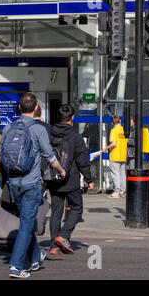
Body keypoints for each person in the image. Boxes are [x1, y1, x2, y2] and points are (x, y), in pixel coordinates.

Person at [0, 92, 66, 279]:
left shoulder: (8, 128)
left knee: (26, 222)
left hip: (14, 184)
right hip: (31, 183)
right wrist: (61, 171)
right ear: (36, 108)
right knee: (26, 226)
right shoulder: (38, 130)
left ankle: (36, 257)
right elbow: (50, 156)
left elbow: (1, 157)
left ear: (20, 108)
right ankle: (16, 266)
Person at [47, 104, 94, 255]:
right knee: (77, 208)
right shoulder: (76, 137)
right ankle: (64, 235)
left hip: (53, 178)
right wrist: (89, 179)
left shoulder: (50, 135)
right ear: (72, 118)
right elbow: (82, 160)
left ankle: (54, 245)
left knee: (56, 211)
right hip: (70, 179)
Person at [102, 115, 127, 198]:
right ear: (120, 121)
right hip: (123, 155)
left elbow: (114, 143)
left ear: (112, 123)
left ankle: (117, 191)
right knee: (122, 173)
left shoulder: (113, 130)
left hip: (115, 155)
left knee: (115, 174)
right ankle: (122, 191)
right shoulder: (123, 130)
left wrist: (106, 148)